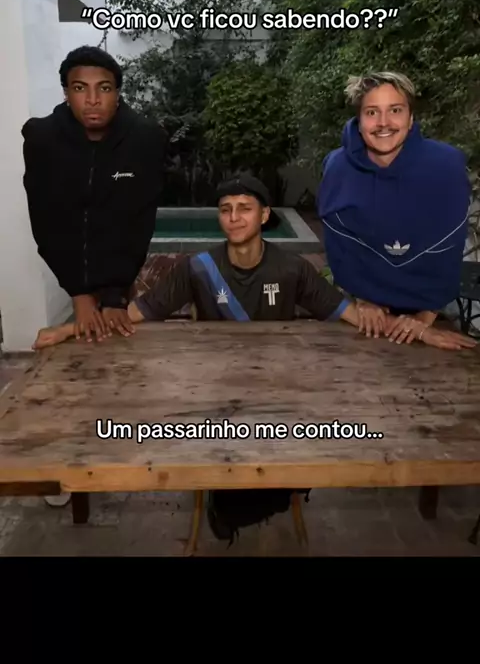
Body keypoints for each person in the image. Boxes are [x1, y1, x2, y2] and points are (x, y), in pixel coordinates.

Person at [32, 174, 475, 542]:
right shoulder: (197, 267)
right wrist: (69, 329)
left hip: (277, 395)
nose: (234, 217)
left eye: (245, 208)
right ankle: (247, 500)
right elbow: (133, 315)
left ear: (264, 216)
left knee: (307, 445)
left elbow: (354, 316)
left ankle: (244, 502)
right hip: (214, 400)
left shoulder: (292, 268)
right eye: (226, 209)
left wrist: (423, 329)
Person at [22, 45, 167, 340]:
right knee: (87, 345)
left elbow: (138, 223)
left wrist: (116, 296)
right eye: (80, 88)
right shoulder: (42, 140)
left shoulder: (146, 139)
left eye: (104, 88)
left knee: (121, 343)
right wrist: (78, 293)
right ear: (66, 93)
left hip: (121, 277)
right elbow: (46, 222)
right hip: (72, 276)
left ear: (117, 94)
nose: (92, 100)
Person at [317, 71, 472, 345]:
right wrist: (362, 298)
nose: (383, 123)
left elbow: (450, 246)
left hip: (434, 308)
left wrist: (425, 316)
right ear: (359, 121)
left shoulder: (446, 167)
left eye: (395, 110)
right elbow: (340, 244)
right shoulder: (337, 168)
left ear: (411, 119)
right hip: (363, 308)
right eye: (372, 112)